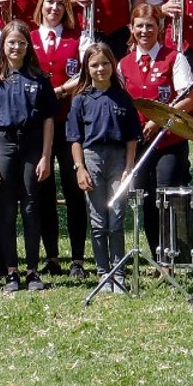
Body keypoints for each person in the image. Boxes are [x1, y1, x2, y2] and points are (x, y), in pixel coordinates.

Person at [0, 21, 57, 294]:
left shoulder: (40, 78)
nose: (16, 47)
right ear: (3, 45)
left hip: (32, 144)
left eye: (21, 43)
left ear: (28, 46)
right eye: (11, 42)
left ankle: (33, 271)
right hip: (3, 144)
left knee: (31, 207)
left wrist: (46, 156)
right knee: (7, 210)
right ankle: (12, 271)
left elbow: (49, 120)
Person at [117, 4, 193, 260]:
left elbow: (188, 99)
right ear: (131, 28)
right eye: (139, 25)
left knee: (167, 196)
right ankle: (158, 257)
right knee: (147, 199)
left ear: (160, 28)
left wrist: (159, 121)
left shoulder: (174, 58)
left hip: (168, 141)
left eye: (150, 25)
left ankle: (176, 254)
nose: (144, 30)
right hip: (138, 145)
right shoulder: (123, 64)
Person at [67, 41, 142, 291]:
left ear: (113, 64)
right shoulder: (81, 99)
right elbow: (75, 138)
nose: (100, 69)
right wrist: (80, 168)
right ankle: (103, 273)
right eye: (94, 65)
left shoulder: (122, 97)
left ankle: (118, 272)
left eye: (105, 63)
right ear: (87, 68)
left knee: (117, 218)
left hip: (119, 159)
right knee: (98, 219)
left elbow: (132, 136)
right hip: (92, 158)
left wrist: (128, 167)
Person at [28, 0, 90, 278]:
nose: (54, 8)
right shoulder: (28, 39)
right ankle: (52, 256)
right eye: (50, 3)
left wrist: (62, 89)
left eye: (60, 4)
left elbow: (87, 73)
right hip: (38, 126)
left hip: (69, 124)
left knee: (74, 190)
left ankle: (77, 258)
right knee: (43, 191)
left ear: (67, 9)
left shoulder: (78, 39)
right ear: (41, 5)